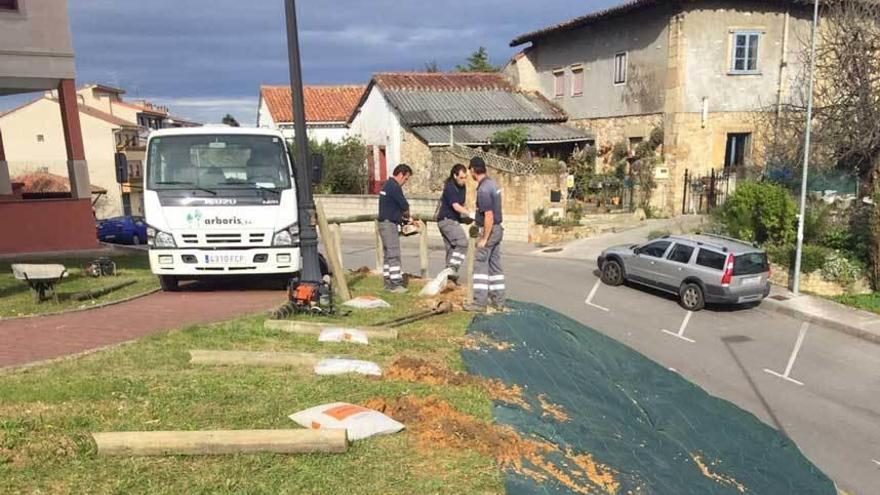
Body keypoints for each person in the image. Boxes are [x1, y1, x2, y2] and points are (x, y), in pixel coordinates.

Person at [464, 157, 505, 312]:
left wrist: (484, 238)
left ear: (473, 170)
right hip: (498, 229)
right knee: (495, 267)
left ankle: (479, 303)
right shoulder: (493, 184)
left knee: (480, 265)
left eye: (470, 171)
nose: (470, 174)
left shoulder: (483, 190)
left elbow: (488, 215)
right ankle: (498, 301)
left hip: (489, 229)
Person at [378, 164, 417, 293]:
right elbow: (405, 206)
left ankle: (388, 282)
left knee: (388, 255)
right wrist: (409, 218)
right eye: (406, 179)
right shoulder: (394, 187)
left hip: (383, 223)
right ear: (400, 174)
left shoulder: (387, 185)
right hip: (389, 225)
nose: (405, 182)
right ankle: (396, 284)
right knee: (394, 254)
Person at [436, 164, 471, 281]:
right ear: (455, 175)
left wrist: (465, 216)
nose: (463, 180)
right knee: (462, 243)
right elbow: (456, 206)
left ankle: (448, 280)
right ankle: (452, 268)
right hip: (446, 220)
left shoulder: (462, 187)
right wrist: (469, 214)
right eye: (461, 177)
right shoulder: (450, 187)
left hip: (453, 219)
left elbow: (462, 204)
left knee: (451, 250)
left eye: (465, 177)